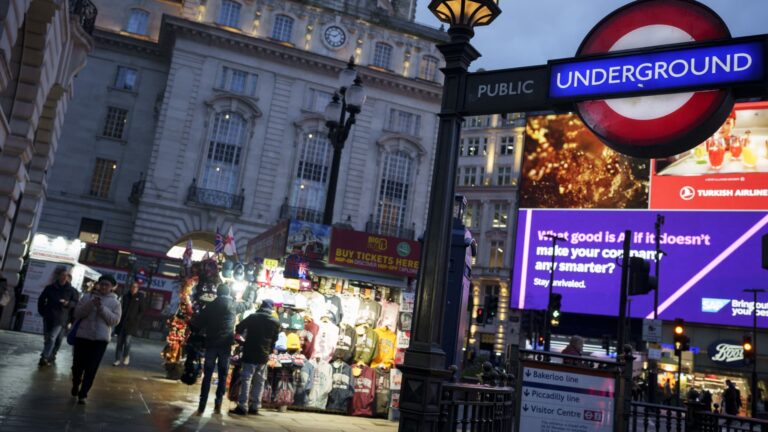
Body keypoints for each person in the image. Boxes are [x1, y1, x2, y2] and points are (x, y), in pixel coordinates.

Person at [191, 284, 247, 415]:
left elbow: (198, 322)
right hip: (225, 346)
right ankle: (218, 402)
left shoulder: (210, 306)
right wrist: (251, 291)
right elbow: (247, 304)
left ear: (218, 292)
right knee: (222, 375)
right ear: (228, 293)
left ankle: (202, 403)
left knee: (208, 374)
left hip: (211, 344)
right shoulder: (234, 305)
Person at [71, 275, 121, 405]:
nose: (104, 287)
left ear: (112, 288)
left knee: (91, 367)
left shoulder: (115, 302)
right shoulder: (87, 297)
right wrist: (90, 304)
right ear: (98, 284)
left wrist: (101, 308)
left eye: (107, 285)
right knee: (77, 366)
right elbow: (77, 313)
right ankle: (76, 383)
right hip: (82, 337)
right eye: (102, 284)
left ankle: (83, 393)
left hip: (100, 340)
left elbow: (114, 321)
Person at [229, 299, 281, 416]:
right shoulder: (275, 321)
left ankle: (242, 406)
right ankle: (255, 406)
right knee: (260, 381)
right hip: (263, 355)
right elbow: (274, 340)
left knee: (246, 379)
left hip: (250, 352)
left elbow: (239, 327)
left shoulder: (253, 317)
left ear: (261, 306)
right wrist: (269, 351)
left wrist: (242, 340)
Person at [37, 266, 79, 366]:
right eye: (63, 275)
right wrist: (43, 312)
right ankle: (49, 354)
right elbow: (41, 300)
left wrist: (68, 303)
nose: (64, 277)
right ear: (58, 276)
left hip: (62, 318)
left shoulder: (72, 291)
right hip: (48, 317)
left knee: (53, 338)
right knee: (48, 338)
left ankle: (45, 356)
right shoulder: (50, 288)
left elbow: (76, 304)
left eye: (66, 275)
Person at [113, 280, 146, 366]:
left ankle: (126, 356)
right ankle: (117, 359)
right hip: (122, 323)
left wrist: (136, 319)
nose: (133, 288)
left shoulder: (140, 297)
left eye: (135, 287)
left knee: (127, 341)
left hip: (131, 324)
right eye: (132, 286)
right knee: (119, 342)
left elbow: (142, 311)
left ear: (137, 288)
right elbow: (121, 307)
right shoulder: (125, 296)